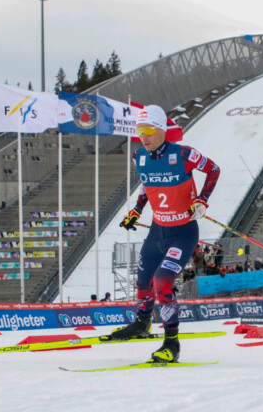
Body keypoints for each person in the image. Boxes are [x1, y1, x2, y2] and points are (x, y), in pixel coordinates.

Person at [102, 105, 220, 363]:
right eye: (139, 131)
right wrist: (136, 211)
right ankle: (142, 325)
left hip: (183, 232)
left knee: (163, 282)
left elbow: (214, 170)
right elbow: (147, 187)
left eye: (148, 130)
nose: (143, 136)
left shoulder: (185, 154)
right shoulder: (139, 157)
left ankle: (171, 344)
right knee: (142, 282)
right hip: (158, 231)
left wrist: (202, 201)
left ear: (162, 130)